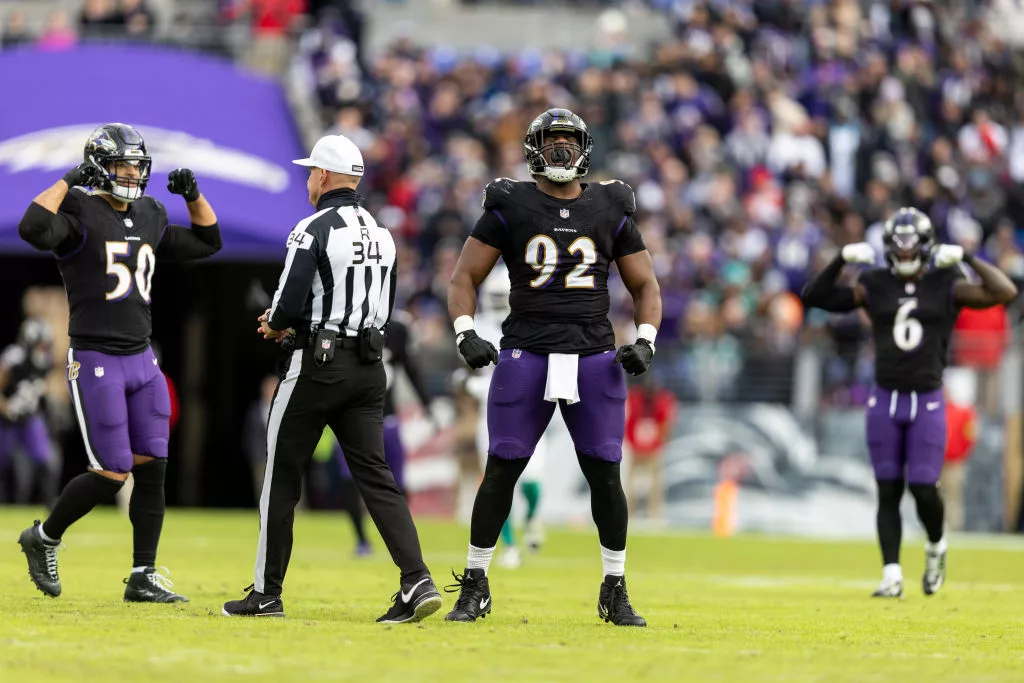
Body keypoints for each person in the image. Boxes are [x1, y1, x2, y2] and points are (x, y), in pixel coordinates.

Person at [444, 108, 662, 626]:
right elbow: (462, 277)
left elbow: (646, 285)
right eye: (552, 140)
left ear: (585, 147)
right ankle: (475, 584)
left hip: (593, 357)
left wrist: (647, 340)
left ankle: (615, 587)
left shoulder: (610, 204)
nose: (561, 149)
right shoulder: (511, 203)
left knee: (606, 476)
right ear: (533, 148)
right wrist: (465, 331)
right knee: (501, 470)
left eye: (569, 140)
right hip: (526, 352)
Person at [223, 134, 442, 623]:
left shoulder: (312, 228)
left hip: (317, 364)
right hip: (369, 366)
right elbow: (382, 307)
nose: (307, 180)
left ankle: (266, 592)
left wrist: (275, 324)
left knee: (281, 477)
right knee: (378, 479)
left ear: (322, 175)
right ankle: (416, 579)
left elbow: (288, 302)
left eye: (309, 172)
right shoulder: (384, 235)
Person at [16, 123, 221, 601]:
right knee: (111, 471)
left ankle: (143, 575)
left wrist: (193, 195)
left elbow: (208, 242)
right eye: (122, 164)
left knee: (153, 465)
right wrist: (69, 177)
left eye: (137, 164)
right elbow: (32, 228)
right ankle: (43, 537)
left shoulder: (149, 213)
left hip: (142, 357)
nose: (132, 173)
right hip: (94, 356)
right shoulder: (79, 209)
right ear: (100, 167)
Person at [802, 207, 1017, 598]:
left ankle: (936, 546)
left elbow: (1005, 291)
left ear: (926, 246)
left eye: (910, 247)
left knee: (923, 487)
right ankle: (892, 574)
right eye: (897, 248)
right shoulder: (874, 282)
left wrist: (969, 258)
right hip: (885, 397)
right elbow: (815, 297)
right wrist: (841, 260)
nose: (903, 255)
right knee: (888, 489)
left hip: (928, 399)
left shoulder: (946, 281)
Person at [332, 308, 435, 555]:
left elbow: (409, 366)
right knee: (349, 481)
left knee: (397, 483)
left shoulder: (397, 329)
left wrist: (427, 404)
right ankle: (361, 539)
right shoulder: (344, 318)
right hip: (349, 416)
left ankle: (401, 540)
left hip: (386, 418)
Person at [470, 264, 547, 569]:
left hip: (527, 411)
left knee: (531, 481)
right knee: (495, 482)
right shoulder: (477, 324)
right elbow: (466, 371)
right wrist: (470, 385)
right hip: (489, 412)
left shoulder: (532, 324)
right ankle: (510, 546)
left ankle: (531, 519)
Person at [0, 319, 58, 505]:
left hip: (30, 418)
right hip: (7, 420)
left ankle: (50, 508)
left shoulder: (45, 362)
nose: (43, 350)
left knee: (46, 462)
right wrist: (5, 407)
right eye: (39, 345)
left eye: (45, 345)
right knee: (3, 465)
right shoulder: (13, 359)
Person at [624, 375, 677, 521]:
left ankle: (655, 515)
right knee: (631, 483)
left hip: (653, 448)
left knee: (656, 484)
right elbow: (628, 421)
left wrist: (657, 445)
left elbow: (666, 424)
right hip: (636, 447)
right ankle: (629, 513)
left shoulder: (663, 399)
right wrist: (633, 444)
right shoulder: (635, 398)